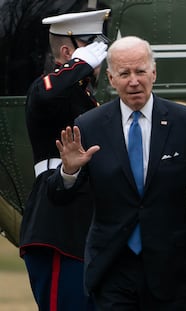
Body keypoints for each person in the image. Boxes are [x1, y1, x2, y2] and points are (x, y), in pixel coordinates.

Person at [47, 36, 186, 310]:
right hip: (112, 269)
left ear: (153, 73)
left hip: (172, 271)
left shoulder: (185, 122)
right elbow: (60, 197)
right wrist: (69, 171)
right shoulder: (89, 125)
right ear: (110, 78)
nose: (133, 80)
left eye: (140, 71)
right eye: (124, 73)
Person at [20, 9, 111, 311]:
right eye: (92, 45)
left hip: (86, 219)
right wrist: (80, 63)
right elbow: (46, 94)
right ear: (66, 51)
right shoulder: (48, 89)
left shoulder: (83, 96)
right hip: (58, 219)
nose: (101, 55)